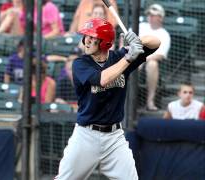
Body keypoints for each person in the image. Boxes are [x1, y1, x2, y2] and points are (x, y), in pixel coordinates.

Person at [55, 18, 160, 180]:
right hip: (86, 136)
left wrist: (137, 42)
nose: (86, 41)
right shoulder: (80, 64)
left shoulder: (120, 57)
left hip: (114, 137)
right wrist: (128, 58)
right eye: (86, 36)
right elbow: (103, 79)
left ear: (104, 42)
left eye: (92, 37)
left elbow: (156, 42)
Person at [139, 4, 171, 111]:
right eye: (149, 14)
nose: (150, 17)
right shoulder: (140, 26)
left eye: (153, 15)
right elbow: (126, 40)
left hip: (149, 62)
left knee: (152, 64)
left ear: (161, 17)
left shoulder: (164, 34)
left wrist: (142, 59)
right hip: (134, 57)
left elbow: (160, 55)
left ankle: (150, 100)